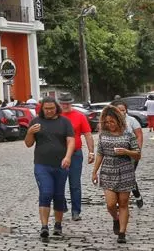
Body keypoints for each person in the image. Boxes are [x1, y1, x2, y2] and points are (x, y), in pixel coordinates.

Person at [25, 97, 74, 239]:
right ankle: (44, 226)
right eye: (46, 109)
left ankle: (58, 225)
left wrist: (68, 157)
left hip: (61, 165)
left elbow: (71, 141)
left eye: (51, 108)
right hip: (42, 164)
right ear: (42, 109)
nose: (49, 111)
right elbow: (28, 144)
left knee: (58, 195)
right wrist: (29, 132)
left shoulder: (64, 122)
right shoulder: (36, 122)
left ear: (56, 108)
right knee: (46, 193)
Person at [92, 105, 141, 244]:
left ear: (118, 120)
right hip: (108, 172)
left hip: (125, 172)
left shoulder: (128, 135)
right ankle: (116, 218)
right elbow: (100, 153)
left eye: (112, 121)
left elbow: (137, 155)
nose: (109, 124)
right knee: (110, 204)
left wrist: (126, 152)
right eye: (106, 122)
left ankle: (122, 233)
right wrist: (94, 171)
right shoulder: (103, 135)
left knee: (124, 203)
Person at [59, 92, 95, 221]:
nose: (65, 105)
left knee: (75, 184)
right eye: (63, 103)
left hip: (75, 154)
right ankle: (61, 207)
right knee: (58, 183)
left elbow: (88, 134)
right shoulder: (55, 116)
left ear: (71, 103)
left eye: (67, 103)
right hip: (58, 154)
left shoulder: (79, 116)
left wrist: (91, 152)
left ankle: (76, 211)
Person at [112, 101, 144, 209]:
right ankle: (117, 200)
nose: (121, 112)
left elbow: (139, 135)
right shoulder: (111, 121)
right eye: (119, 110)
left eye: (123, 110)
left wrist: (137, 149)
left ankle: (137, 196)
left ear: (126, 110)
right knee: (117, 176)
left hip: (130, 154)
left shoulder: (132, 121)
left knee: (128, 176)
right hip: (115, 155)